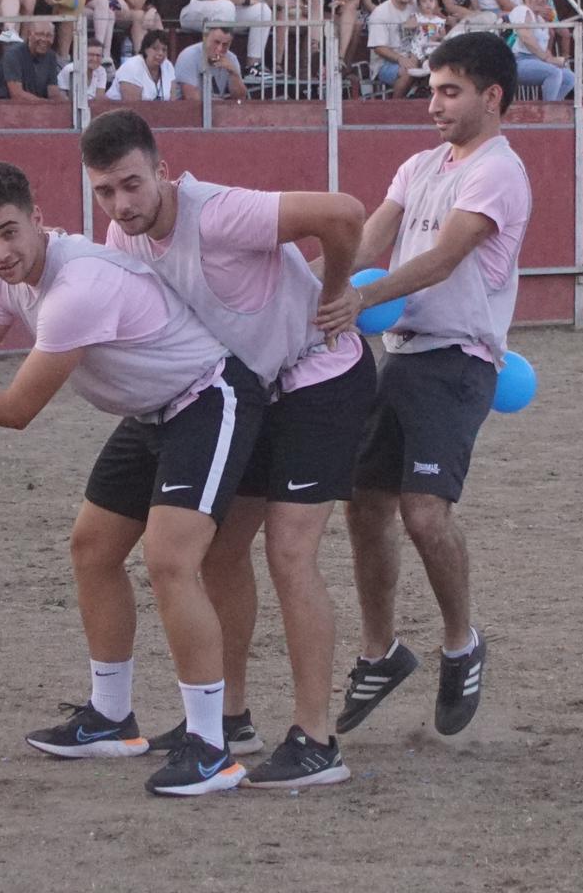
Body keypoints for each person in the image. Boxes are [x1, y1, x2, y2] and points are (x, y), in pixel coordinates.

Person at [0, 161, 268, 797]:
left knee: (170, 561)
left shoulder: (77, 285)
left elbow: (16, 411)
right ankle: (111, 718)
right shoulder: (4, 282)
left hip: (209, 396)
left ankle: (213, 747)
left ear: (37, 218)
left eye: (8, 233)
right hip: (150, 413)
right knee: (92, 548)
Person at [80, 108, 370, 787]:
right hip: (251, 389)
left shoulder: (218, 214)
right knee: (221, 551)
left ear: (162, 170)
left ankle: (317, 739)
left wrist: (335, 293)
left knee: (290, 553)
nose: (121, 205)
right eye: (105, 191)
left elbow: (345, 212)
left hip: (320, 375)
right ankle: (231, 717)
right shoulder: (122, 243)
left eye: (131, 184)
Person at [312, 32, 531, 740]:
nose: (432, 103)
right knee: (365, 505)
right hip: (404, 356)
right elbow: (371, 241)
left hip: (461, 361)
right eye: (432, 88)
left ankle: (462, 645)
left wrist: (350, 302)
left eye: (449, 91)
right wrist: (319, 281)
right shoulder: (419, 166)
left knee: (423, 511)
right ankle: (381, 652)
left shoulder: (498, 172)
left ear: (491, 96)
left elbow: (441, 260)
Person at [508, 0, 573, 100]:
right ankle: (548, 112)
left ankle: (553, 108)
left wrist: (553, 59)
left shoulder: (542, 19)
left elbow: (559, 36)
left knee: (570, 78)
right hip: (518, 60)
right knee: (554, 73)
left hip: (537, 60)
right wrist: (547, 58)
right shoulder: (522, 10)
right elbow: (525, 37)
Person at [366, 0, 418, 96]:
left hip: (413, 57)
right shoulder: (380, 13)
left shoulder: (415, 8)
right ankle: (396, 107)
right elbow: (379, 48)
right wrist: (401, 59)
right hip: (385, 63)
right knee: (408, 71)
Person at [0, 15, 60, 98]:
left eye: (49, 35)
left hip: (35, 106)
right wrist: (45, 105)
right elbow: (17, 94)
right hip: (1, 106)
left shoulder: (51, 56)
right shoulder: (13, 54)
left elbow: (53, 92)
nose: (44, 39)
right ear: (29, 34)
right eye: (39, 34)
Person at [174, 23, 246, 100]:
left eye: (225, 45)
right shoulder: (189, 56)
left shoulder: (231, 59)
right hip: (186, 109)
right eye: (216, 42)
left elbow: (240, 98)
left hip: (217, 108)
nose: (219, 49)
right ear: (205, 38)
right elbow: (191, 99)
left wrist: (233, 73)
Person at [106, 26, 175, 99]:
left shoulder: (168, 66)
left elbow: (172, 101)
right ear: (145, 49)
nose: (160, 53)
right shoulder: (132, 67)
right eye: (155, 48)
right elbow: (133, 106)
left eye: (164, 50)